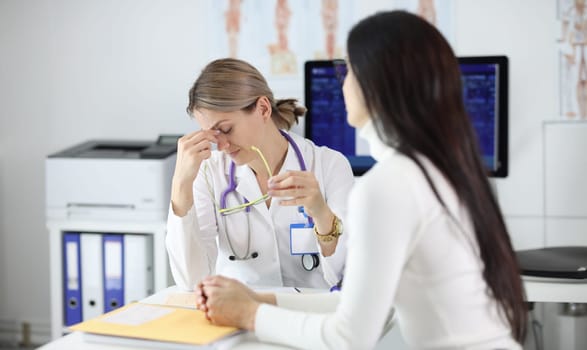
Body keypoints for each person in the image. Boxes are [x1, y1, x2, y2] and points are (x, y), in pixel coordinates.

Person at [195, 11, 527, 349]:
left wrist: (250, 314)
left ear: (377, 84)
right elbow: (356, 307)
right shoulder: (444, 170)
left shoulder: (387, 186)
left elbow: (349, 338)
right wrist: (258, 302)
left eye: (349, 71)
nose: (342, 83)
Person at [166, 58, 354, 291]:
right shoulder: (209, 173)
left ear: (263, 109)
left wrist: (321, 214)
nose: (222, 146)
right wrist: (180, 185)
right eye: (213, 136)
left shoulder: (329, 165)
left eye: (226, 130)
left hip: (310, 318)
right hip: (240, 318)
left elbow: (345, 277)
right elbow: (191, 281)